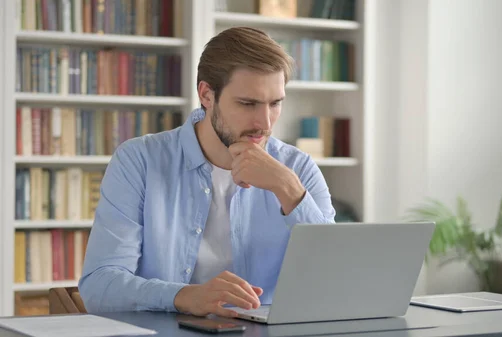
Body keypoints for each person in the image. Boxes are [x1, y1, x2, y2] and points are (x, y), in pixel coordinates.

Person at [78, 27, 336, 317]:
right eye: (247, 103)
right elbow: (99, 287)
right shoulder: (139, 161)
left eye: (275, 103)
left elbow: (334, 283)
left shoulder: (298, 168)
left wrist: (288, 190)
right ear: (206, 95)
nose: (264, 123)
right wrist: (182, 297)